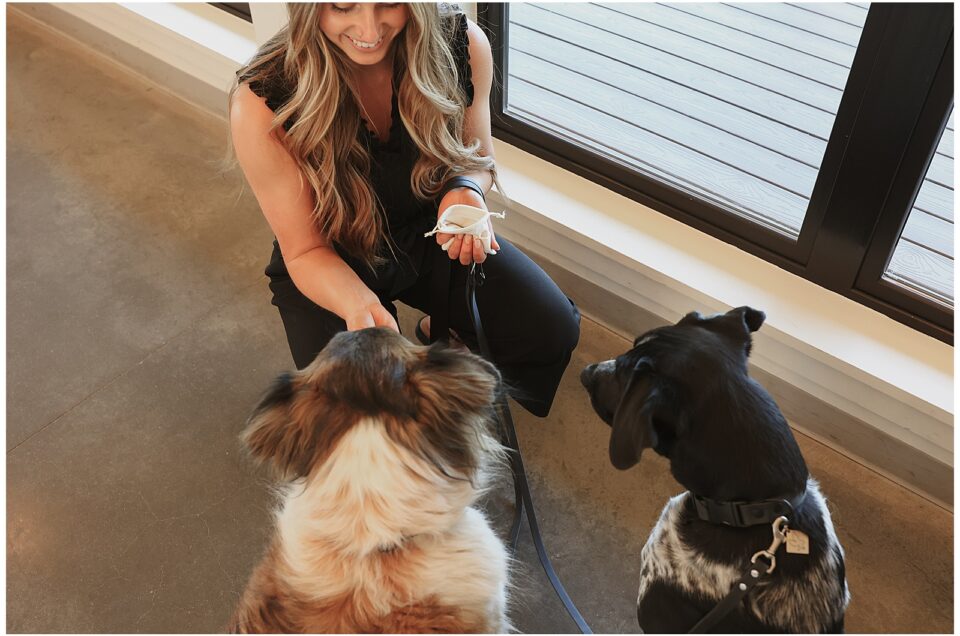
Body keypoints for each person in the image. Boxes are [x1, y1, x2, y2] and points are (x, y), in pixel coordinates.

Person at [229, 2, 579, 417]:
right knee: (358, 412)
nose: (370, 28)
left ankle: (444, 328)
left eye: (389, 3)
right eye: (342, 7)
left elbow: (476, 159)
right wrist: (359, 307)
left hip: (429, 228)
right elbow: (305, 250)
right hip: (330, 257)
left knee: (549, 328)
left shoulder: (462, 43)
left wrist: (465, 190)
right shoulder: (263, 99)